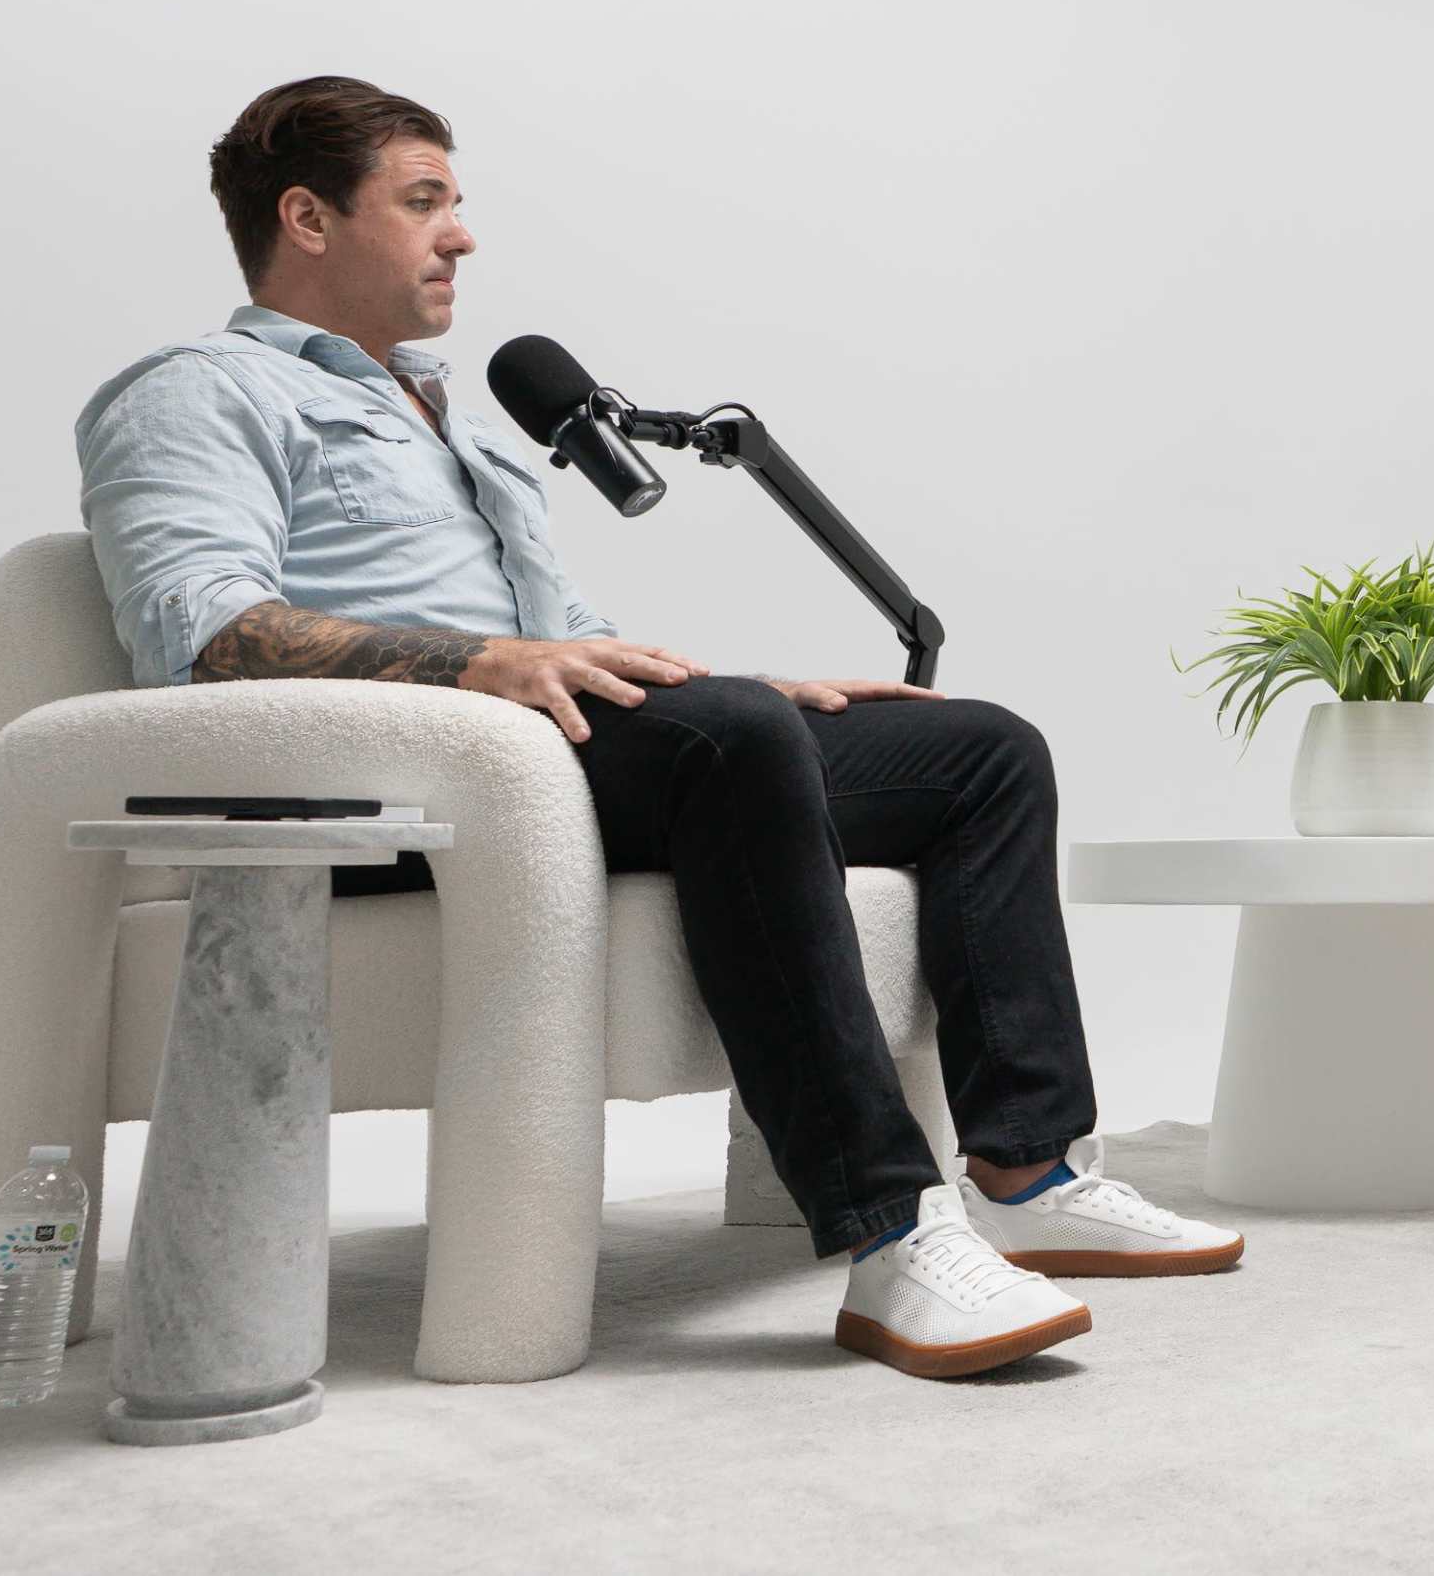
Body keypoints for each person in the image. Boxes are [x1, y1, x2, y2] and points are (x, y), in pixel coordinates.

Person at [76, 75, 1242, 1381]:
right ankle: (890, 1233)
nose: (462, 235)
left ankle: (1031, 1173)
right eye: (423, 202)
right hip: (390, 792)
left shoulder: (452, 418)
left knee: (978, 750)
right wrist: (487, 666)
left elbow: (569, 640)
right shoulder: (197, 393)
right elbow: (202, 633)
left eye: (455, 203)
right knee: (731, 737)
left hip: (543, 756)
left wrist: (744, 690)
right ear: (306, 217)